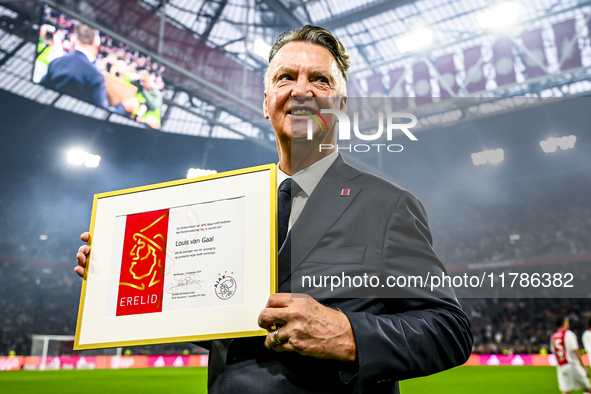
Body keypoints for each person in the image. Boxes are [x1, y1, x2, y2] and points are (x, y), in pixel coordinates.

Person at [76, 25, 472, 393]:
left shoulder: (388, 204)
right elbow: (223, 321)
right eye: (286, 77)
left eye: (321, 80)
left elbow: (449, 330)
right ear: (266, 103)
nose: (302, 91)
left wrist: (348, 334)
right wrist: (119, 279)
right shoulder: (225, 203)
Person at [40, 22, 109, 109]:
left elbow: (41, 87)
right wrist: (123, 107)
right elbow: (102, 109)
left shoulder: (56, 62)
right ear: (96, 45)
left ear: (76, 39)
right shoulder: (95, 74)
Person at [550, 316, 591, 394]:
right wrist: (584, 367)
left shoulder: (553, 336)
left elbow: (554, 352)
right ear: (564, 322)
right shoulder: (569, 334)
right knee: (588, 388)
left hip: (561, 367)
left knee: (566, 391)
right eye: (567, 321)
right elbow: (575, 350)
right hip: (572, 365)